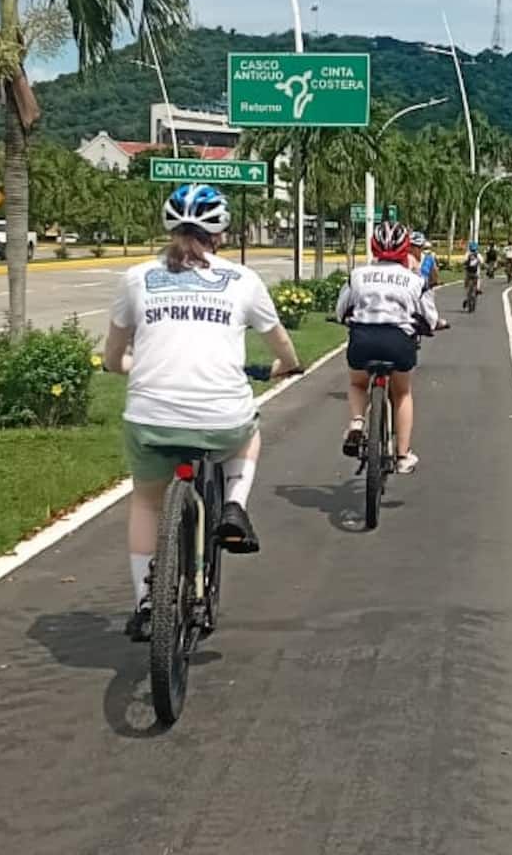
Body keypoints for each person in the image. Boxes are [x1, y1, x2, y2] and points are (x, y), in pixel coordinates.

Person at [104, 182, 301, 642]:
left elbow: (113, 357)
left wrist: (130, 366)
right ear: (222, 233)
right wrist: (287, 367)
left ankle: (146, 602)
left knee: (148, 502)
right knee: (248, 433)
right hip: (222, 418)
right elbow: (283, 346)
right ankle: (234, 505)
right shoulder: (243, 280)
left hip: (150, 419)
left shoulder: (136, 278)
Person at [336, 221, 441, 474]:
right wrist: (429, 326)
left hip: (362, 340)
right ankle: (403, 455)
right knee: (402, 394)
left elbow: (341, 310)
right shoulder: (415, 280)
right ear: (405, 248)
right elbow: (430, 318)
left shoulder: (358, 275)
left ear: (374, 247)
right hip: (398, 342)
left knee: (358, 383)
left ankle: (358, 422)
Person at [462, 238, 483, 307]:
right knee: (479, 279)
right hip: (476, 272)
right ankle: (478, 289)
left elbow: (463, 261)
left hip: (468, 272)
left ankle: (467, 298)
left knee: (467, 285)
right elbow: (482, 262)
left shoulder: (467, 254)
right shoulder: (478, 254)